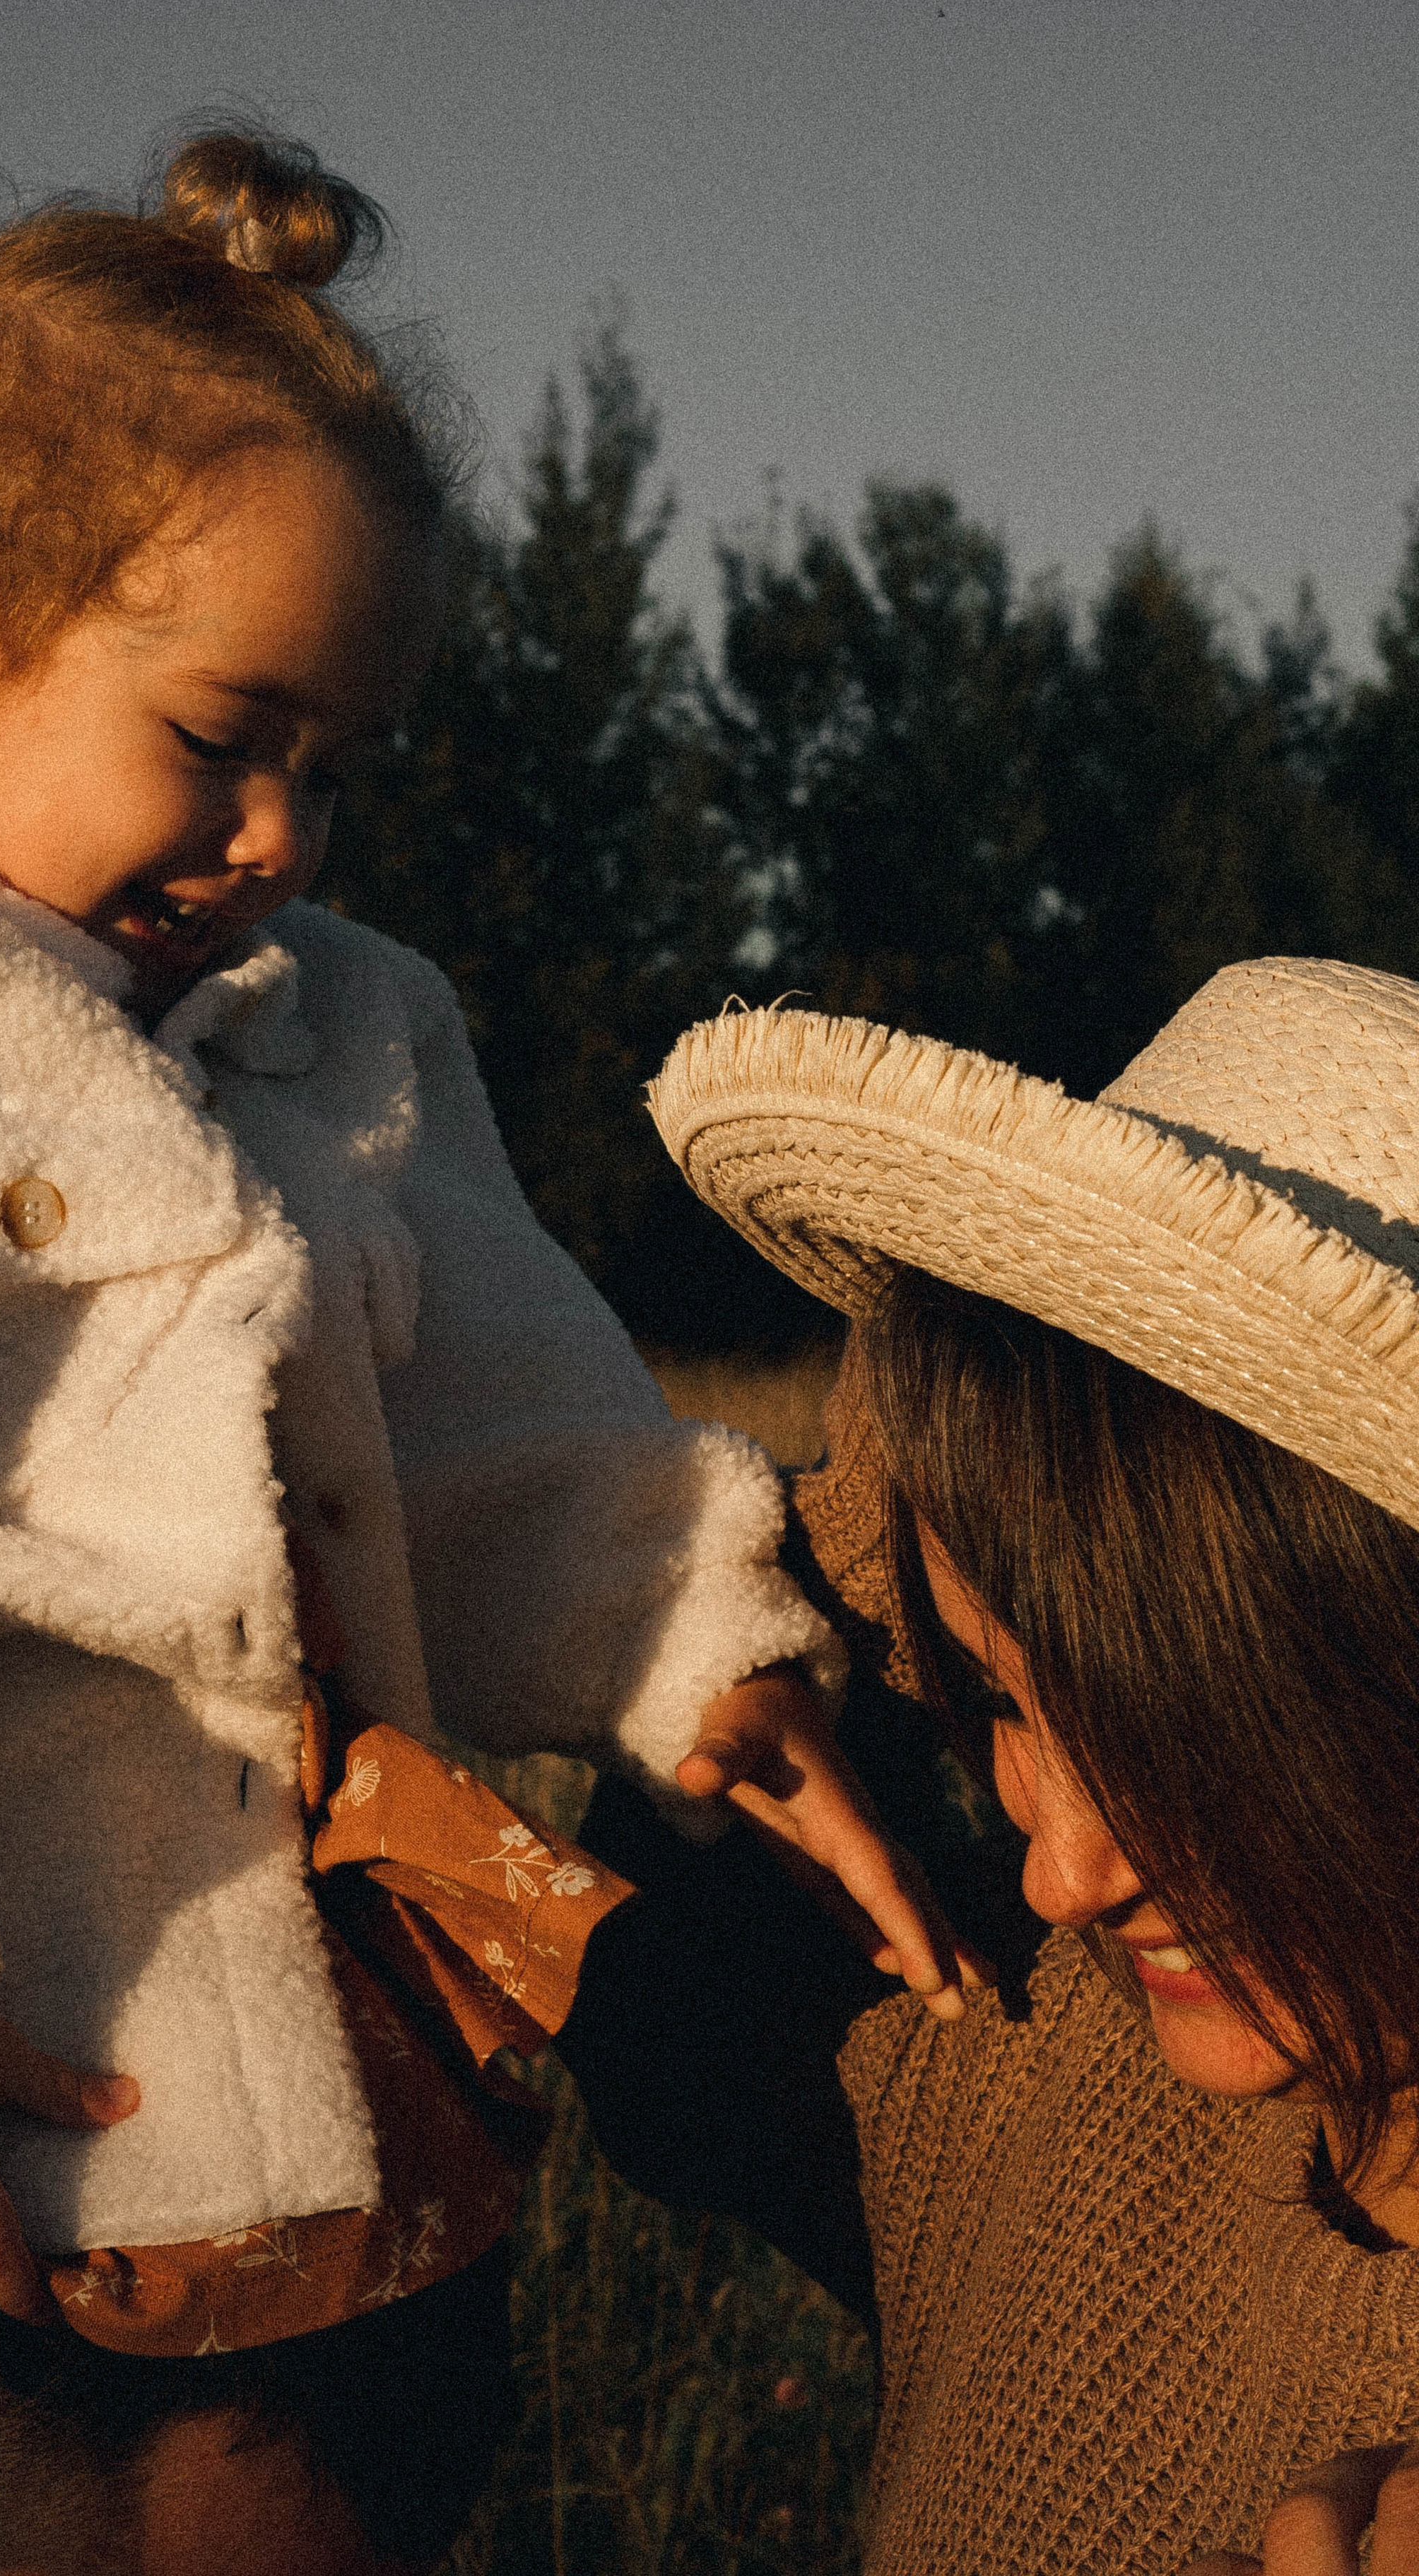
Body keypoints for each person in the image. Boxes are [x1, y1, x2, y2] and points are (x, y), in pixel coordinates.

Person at [0, 129, 968, 2576]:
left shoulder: (337, 1027)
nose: (281, 838)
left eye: (334, 768)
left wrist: (687, 1645)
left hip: (164, 2021)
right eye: (224, 735)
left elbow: (503, 1404)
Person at [567, 955, 1419, 2575]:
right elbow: (653, 2012)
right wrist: (957, 1392)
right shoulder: (1027, 2071)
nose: (1060, 1876)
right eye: (1000, 1705)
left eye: (1190, 1733)